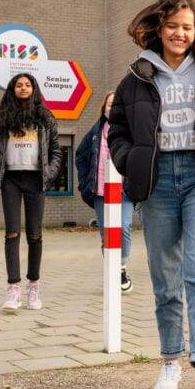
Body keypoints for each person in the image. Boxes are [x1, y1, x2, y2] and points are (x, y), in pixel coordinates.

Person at [107, 0, 195, 389]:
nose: (180, 33)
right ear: (158, 29)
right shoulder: (136, 78)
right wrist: (131, 162)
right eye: (172, 26)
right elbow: (118, 131)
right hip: (158, 178)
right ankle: (169, 362)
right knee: (165, 279)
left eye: (188, 27)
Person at [0, 73, 63, 311]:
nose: (23, 88)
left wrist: (49, 174)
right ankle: (13, 289)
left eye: (27, 84)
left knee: (34, 235)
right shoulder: (3, 117)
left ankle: (33, 286)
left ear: (34, 88)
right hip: (10, 179)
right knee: (11, 233)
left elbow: (56, 151)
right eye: (19, 85)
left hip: (35, 179)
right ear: (12, 89)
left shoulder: (44, 117)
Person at [75, 91, 134, 292]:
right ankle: (113, 271)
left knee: (123, 228)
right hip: (100, 191)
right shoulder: (95, 131)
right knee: (106, 234)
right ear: (104, 108)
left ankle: (121, 266)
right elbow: (80, 155)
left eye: (116, 105)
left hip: (124, 191)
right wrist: (84, 183)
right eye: (109, 105)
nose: (112, 108)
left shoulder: (131, 130)